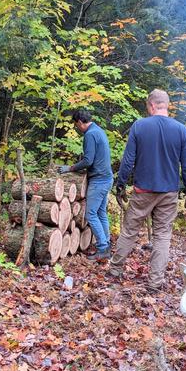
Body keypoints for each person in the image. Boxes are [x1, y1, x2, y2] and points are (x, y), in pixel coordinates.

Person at [108, 89, 186, 291]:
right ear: (166, 105)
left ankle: (115, 270)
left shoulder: (140, 126)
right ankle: (155, 282)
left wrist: (120, 184)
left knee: (130, 231)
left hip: (142, 191)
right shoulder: (182, 130)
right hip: (169, 192)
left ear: (151, 105)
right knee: (162, 236)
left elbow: (128, 160)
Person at [58, 109, 113, 260]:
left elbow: (88, 160)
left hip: (99, 180)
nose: (77, 128)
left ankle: (103, 248)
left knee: (91, 214)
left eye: (77, 125)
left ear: (80, 122)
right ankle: (106, 243)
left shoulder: (90, 134)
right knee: (101, 212)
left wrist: (69, 168)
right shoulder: (98, 130)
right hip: (107, 178)